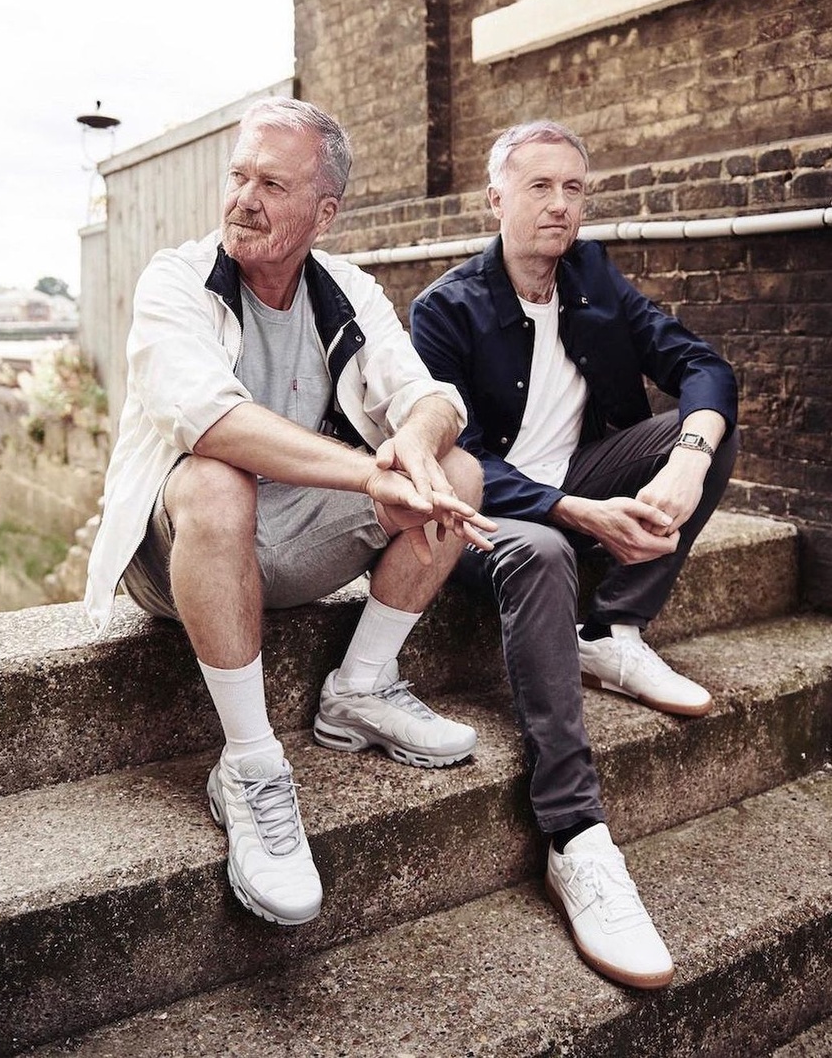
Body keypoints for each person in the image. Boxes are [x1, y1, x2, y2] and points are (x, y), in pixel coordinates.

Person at [84, 96, 497, 928]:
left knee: (456, 472)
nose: (243, 198)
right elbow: (208, 420)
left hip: (292, 540)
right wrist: (372, 474)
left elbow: (432, 397)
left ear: (324, 212)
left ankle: (358, 689)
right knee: (216, 479)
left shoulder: (347, 288)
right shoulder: (176, 278)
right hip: (179, 554)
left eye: (271, 184)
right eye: (238, 176)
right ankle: (249, 766)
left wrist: (417, 448)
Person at [410, 119, 738, 989]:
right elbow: (455, 462)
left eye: (573, 188)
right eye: (538, 187)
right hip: (487, 522)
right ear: (495, 199)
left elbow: (702, 366)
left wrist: (689, 456)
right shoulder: (444, 309)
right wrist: (567, 509)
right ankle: (574, 836)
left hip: (582, 485)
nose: (559, 205)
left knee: (701, 428)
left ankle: (611, 630)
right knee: (546, 551)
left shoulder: (592, 277)